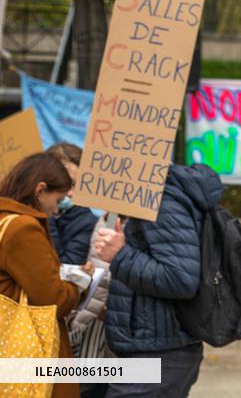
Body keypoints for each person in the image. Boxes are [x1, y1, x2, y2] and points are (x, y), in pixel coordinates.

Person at [93, 163, 223, 398]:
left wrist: (120, 255)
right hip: (147, 347)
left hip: (160, 352)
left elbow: (180, 279)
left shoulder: (160, 201)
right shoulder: (143, 200)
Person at [0, 152, 93, 398]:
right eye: (59, 199)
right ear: (40, 190)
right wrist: (79, 285)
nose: (56, 209)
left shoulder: (5, 220)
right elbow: (53, 299)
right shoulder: (23, 228)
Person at [46, 143, 100, 266]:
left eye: (75, 184)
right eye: (64, 182)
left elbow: (66, 267)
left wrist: (47, 216)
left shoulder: (87, 222)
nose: (70, 192)